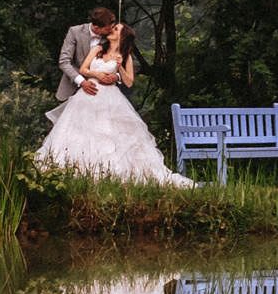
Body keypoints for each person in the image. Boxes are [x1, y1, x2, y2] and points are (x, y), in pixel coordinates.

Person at [37, 20, 193, 185]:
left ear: (122, 36)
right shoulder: (97, 49)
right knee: (81, 131)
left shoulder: (125, 57)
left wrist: (119, 68)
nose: (112, 29)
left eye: (116, 28)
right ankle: (75, 170)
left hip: (110, 97)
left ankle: (111, 172)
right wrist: (97, 75)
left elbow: (129, 81)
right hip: (89, 93)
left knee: (109, 132)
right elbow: (83, 69)